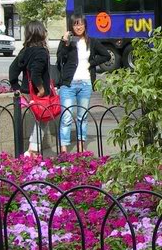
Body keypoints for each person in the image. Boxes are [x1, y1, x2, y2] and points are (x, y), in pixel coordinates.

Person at [56, 13, 110, 153]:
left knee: (82, 117)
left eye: (80, 24)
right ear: (71, 26)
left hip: (85, 83)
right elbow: (59, 58)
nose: (78, 27)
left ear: (85, 25)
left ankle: (81, 147)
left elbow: (106, 55)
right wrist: (65, 42)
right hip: (68, 84)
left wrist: (90, 64)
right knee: (66, 116)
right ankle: (64, 149)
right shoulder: (68, 42)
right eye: (75, 24)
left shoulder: (91, 41)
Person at [9, 20, 51, 157]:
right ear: (39, 33)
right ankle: (32, 151)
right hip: (37, 93)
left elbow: (12, 70)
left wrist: (16, 88)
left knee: (39, 120)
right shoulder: (41, 52)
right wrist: (41, 88)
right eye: (44, 30)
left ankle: (33, 150)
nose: (45, 32)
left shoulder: (24, 51)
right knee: (43, 119)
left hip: (26, 92)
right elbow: (35, 73)